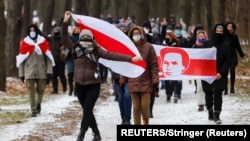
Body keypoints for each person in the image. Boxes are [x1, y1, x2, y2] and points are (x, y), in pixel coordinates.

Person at [62, 11, 142, 141]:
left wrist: (131, 59)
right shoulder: (74, 48)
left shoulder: (96, 50)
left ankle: (81, 134)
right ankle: (96, 133)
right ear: (80, 38)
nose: (86, 39)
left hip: (93, 85)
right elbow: (64, 37)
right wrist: (65, 21)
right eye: (84, 37)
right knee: (87, 111)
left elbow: (112, 55)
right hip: (79, 85)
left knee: (87, 109)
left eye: (88, 37)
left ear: (92, 39)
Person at [120, 26, 159, 125]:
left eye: (138, 33)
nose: (136, 35)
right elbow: (125, 65)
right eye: (134, 34)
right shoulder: (128, 47)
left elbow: (154, 65)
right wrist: (122, 80)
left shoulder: (149, 47)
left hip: (146, 80)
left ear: (142, 34)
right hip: (133, 80)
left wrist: (155, 80)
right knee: (136, 107)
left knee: (145, 106)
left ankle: (146, 122)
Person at [16, 24, 54, 117]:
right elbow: (21, 59)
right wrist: (21, 73)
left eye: (34, 30)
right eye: (30, 30)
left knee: (41, 89)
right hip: (29, 71)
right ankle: (33, 109)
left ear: (37, 31)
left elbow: (48, 58)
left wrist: (49, 72)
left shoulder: (43, 42)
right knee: (31, 91)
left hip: (42, 70)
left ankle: (38, 104)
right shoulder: (25, 43)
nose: (32, 32)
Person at [202, 24, 231, 124]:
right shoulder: (207, 43)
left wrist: (221, 72)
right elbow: (201, 57)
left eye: (221, 32)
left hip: (220, 73)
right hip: (207, 73)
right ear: (214, 31)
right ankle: (210, 111)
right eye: (217, 31)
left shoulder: (226, 45)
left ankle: (217, 114)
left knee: (218, 93)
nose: (218, 33)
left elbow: (228, 61)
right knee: (208, 92)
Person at [114, 22, 132, 125]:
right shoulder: (113, 42)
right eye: (120, 29)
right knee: (120, 98)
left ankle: (128, 118)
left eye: (124, 29)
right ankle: (123, 117)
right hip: (117, 74)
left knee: (127, 95)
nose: (122, 31)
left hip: (128, 74)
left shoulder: (130, 42)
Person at [224, 21, 245, 94]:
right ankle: (225, 89)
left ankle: (232, 87)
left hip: (233, 56)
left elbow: (238, 46)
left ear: (233, 27)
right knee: (225, 73)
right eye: (228, 26)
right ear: (226, 27)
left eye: (231, 26)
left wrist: (242, 55)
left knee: (232, 71)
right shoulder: (223, 36)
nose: (230, 28)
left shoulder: (235, 36)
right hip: (225, 57)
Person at [191, 29, 209, 112]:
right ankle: (200, 104)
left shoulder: (209, 45)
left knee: (207, 87)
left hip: (207, 68)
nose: (201, 37)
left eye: (202, 36)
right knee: (199, 87)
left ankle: (208, 102)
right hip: (198, 69)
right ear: (197, 37)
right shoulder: (194, 46)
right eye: (199, 36)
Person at [162, 32, 182, 103]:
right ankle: (168, 94)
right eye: (166, 36)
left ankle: (176, 94)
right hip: (167, 63)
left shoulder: (176, 43)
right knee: (167, 80)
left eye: (169, 36)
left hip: (175, 64)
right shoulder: (164, 43)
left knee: (175, 80)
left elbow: (179, 52)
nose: (167, 37)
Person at [49, 26, 67, 94]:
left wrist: (64, 56)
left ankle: (64, 87)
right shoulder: (51, 39)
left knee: (61, 75)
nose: (56, 31)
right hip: (53, 60)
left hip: (61, 60)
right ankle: (55, 89)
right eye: (55, 30)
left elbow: (65, 48)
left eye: (57, 30)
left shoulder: (62, 39)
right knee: (54, 76)